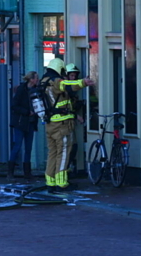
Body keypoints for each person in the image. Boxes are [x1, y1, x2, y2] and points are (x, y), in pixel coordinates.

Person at [41, 59, 94, 193]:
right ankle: (62, 183)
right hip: (62, 124)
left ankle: (50, 182)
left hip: (50, 124)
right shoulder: (56, 82)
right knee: (63, 153)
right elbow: (68, 85)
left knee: (52, 153)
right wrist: (83, 82)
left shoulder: (43, 82)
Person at [7, 71, 39, 181]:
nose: (37, 80)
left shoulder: (35, 90)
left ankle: (27, 173)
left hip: (30, 122)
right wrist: (27, 112)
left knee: (28, 148)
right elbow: (14, 106)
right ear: (31, 79)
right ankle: (11, 172)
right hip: (21, 122)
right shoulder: (22, 90)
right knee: (18, 146)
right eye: (36, 78)